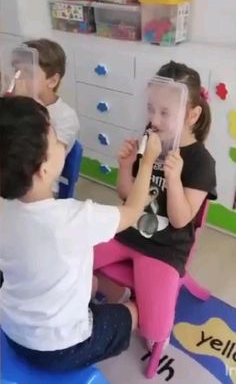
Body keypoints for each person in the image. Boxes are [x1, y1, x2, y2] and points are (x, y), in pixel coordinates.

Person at [0, 96, 161, 370]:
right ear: (43, 169)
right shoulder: (74, 219)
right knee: (135, 313)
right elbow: (133, 212)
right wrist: (146, 163)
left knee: (90, 283)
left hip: (13, 328)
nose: (63, 142)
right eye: (56, 140)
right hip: (61, 349)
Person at [94, 61, 217, 339]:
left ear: (192, 115)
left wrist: (173, 180)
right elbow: (127, 197)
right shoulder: (149, 139)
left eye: (165, 112)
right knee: (73, 260)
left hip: (165, 249)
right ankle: (122, 294)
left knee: (155, 331)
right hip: (129, 232)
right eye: (150, 108)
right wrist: (126, 166)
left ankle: (136, 304)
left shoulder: (201, 162)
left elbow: (181, 219)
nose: (155, 119)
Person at [22, 38, 80, 153]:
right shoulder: (13, 104)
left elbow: (46, 159)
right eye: (17, 71)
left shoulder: (65, 117)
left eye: (28, 73)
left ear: (52, 81)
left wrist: (27, 108)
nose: (19, 78)